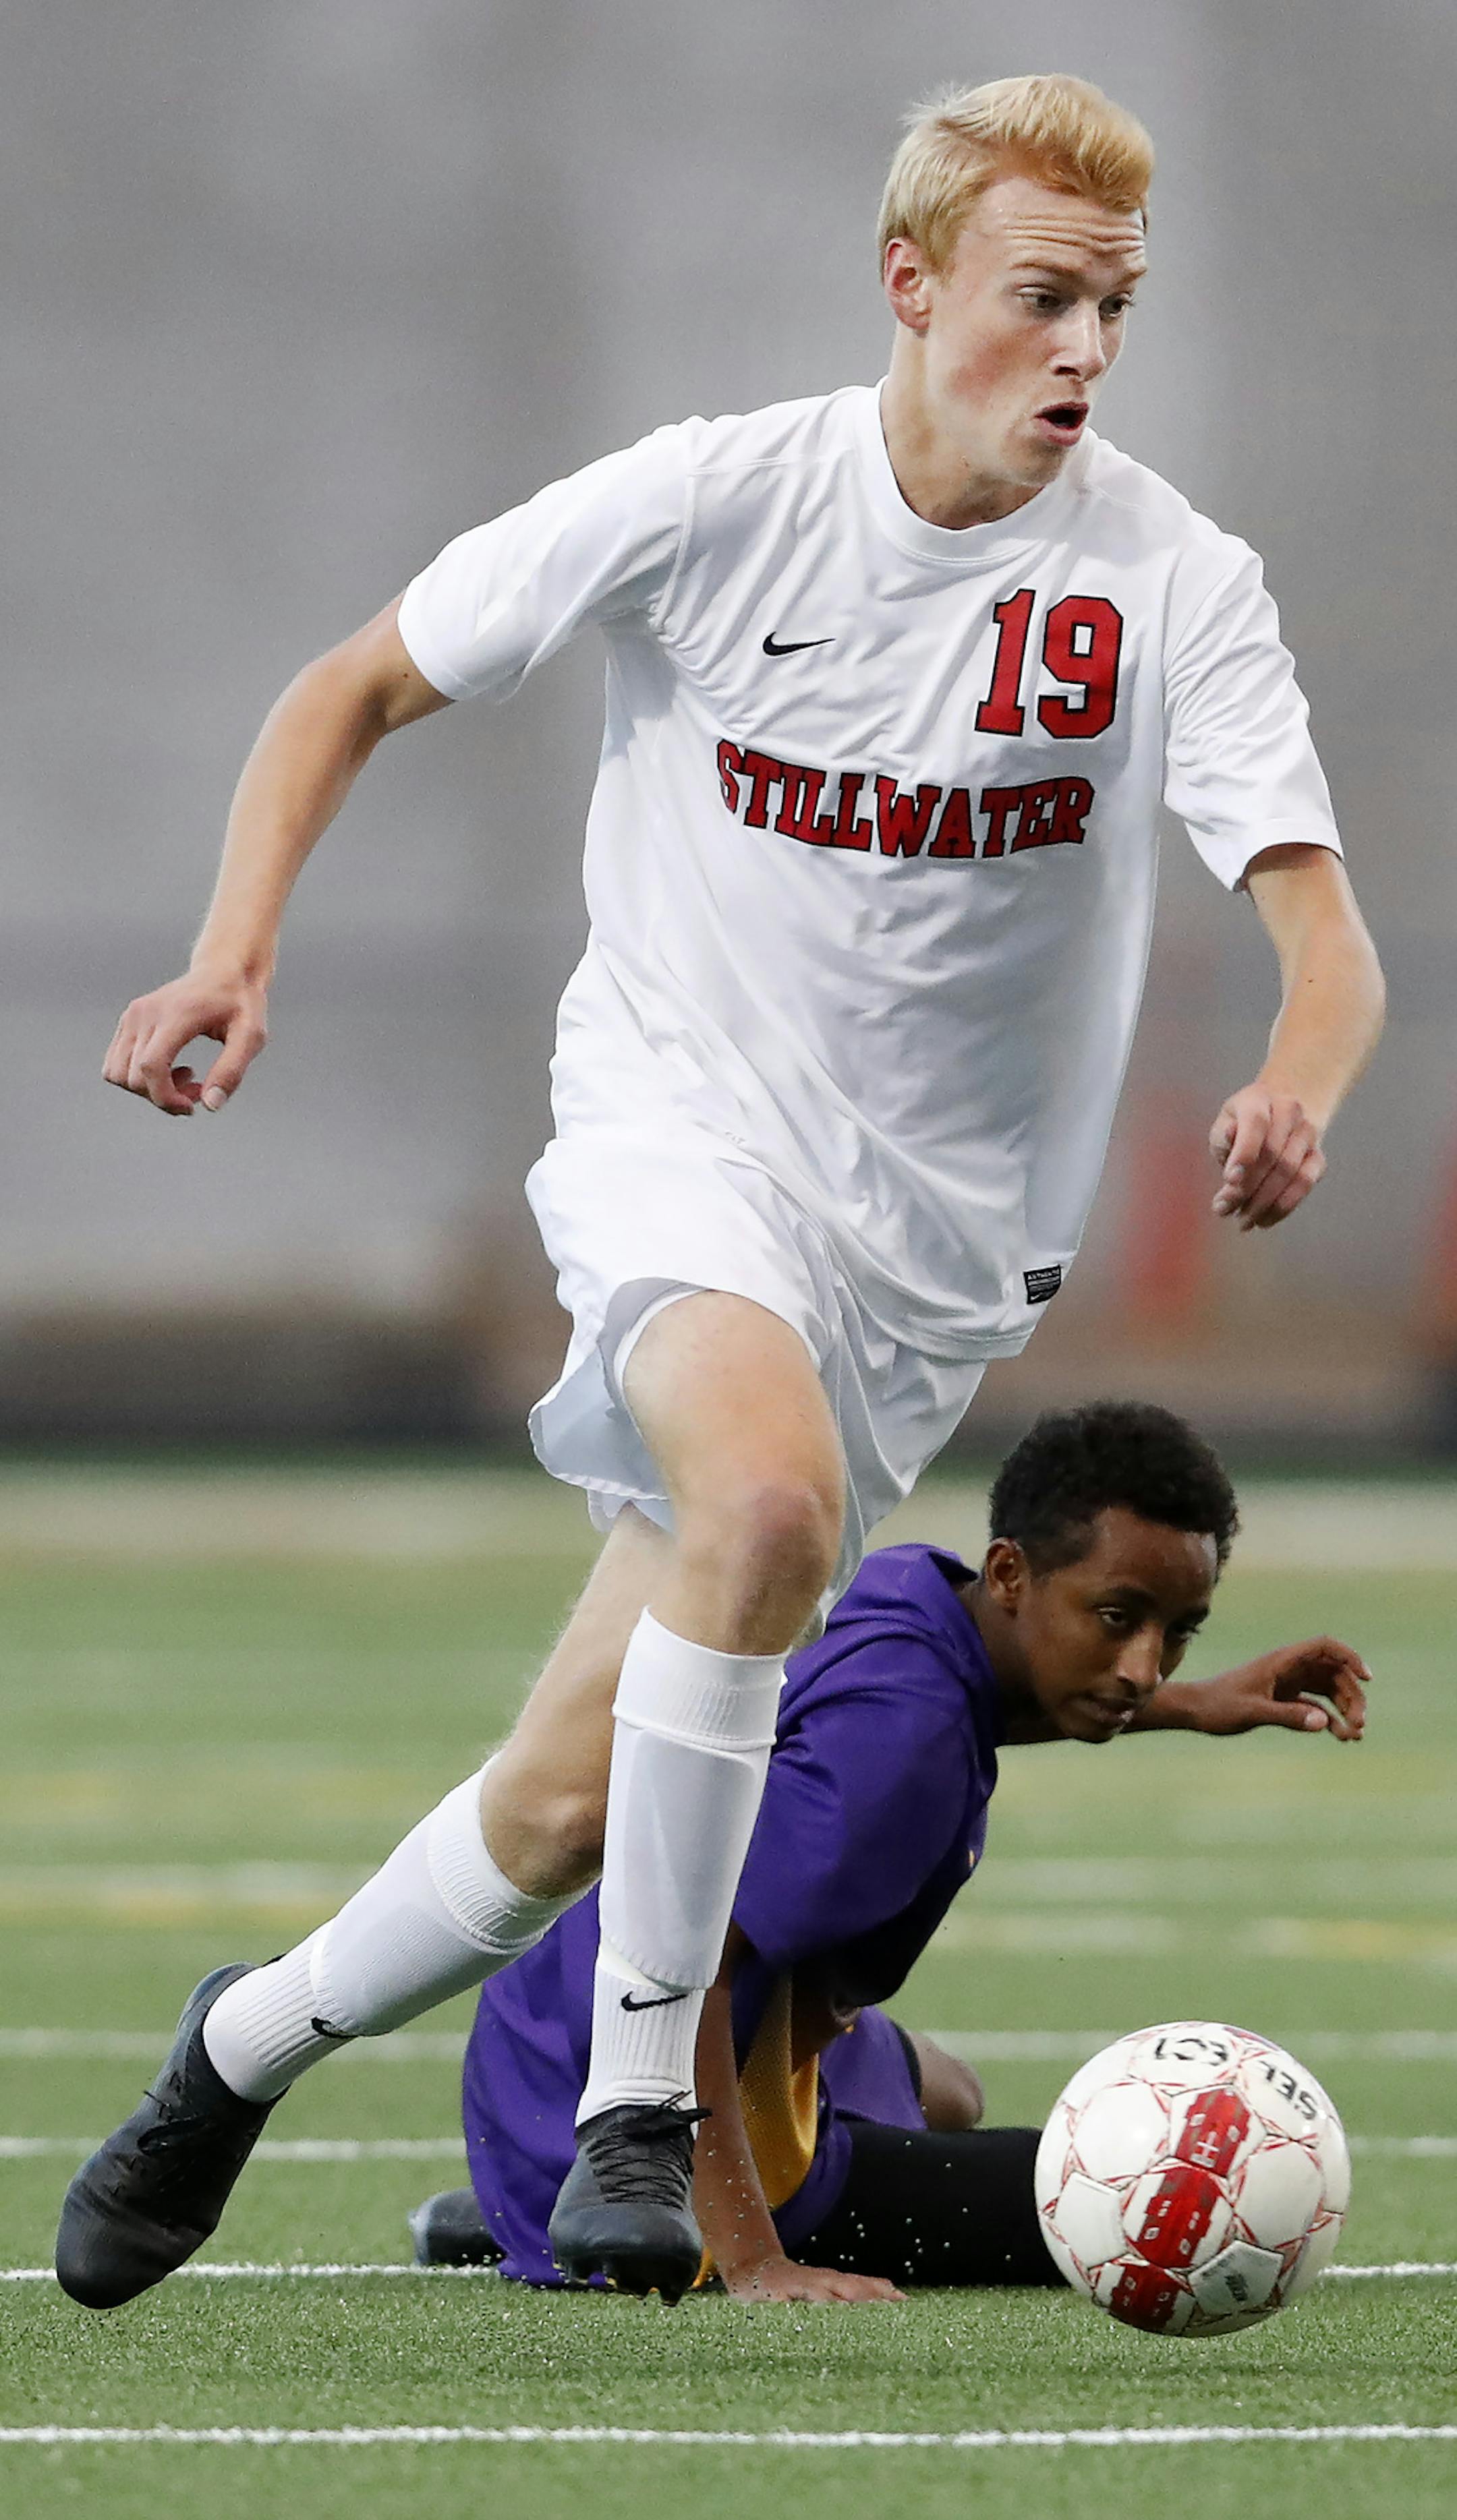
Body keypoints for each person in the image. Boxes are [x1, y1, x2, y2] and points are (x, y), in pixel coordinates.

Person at [61, 76, 1383, 2311]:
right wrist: (233, 943)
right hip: (678, 1136)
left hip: (927, 1260)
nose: (1081, 349)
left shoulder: (1168, 581)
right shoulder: (712, 499)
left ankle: (240, 2037)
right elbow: (353, 681)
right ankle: (643, 2115)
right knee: (764, 1510)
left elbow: (1323, 926)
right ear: (911, 285)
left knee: (573, 1800)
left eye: (1114, 309)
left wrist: (1299, 1073)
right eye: (1039, 297)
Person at [447, 1405, 1368, 2299]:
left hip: (535, 2038)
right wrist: (753, 2260)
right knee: (1120, 2204)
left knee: (950, 2093)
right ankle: (578, 2218)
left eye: (1177, 1633)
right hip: (615, 2110)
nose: (1144, 1667)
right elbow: (686, 1970)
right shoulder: (900, 1757)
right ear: (1011, 1573)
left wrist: (1191, 1704)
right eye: (1120, 1616)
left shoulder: (919, 1596)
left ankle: (514, 2205)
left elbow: (978, 1702)